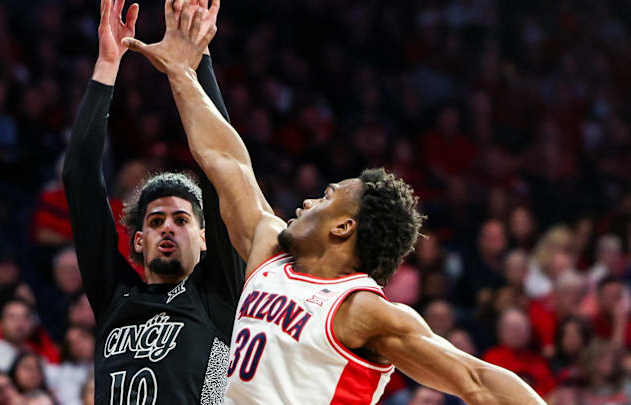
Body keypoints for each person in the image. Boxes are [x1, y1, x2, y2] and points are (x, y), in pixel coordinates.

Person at [124, 2, 545, 403]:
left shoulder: (363, 310)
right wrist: (181, 72)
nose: (307, 201)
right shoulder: (268, 250)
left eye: (325, 197)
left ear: (343, 227)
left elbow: (478, 382)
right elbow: (226, 160)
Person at [61, 0, 244, 402]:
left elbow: (223, 170)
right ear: (138, 241)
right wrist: (107, 65)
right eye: (156, 220)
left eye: (181, 220)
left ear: (204, 237)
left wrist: (197, 65)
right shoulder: (114, 296)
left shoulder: (218, 294)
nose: (168, 227)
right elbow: (79, 177)